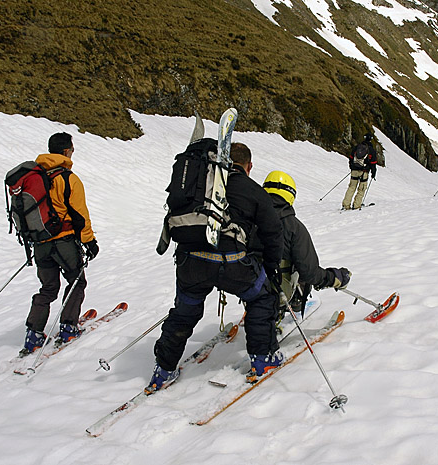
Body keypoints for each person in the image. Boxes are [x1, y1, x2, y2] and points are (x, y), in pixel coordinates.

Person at [148, 142, 284, 392]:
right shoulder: (251, 189)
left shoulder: (198, 185)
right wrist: (270, 267)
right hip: (232, 263)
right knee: (261, 298)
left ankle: (163, 369)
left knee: (185, 312)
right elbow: (273, 233)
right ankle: (263, 359)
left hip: (191, 262)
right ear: (249, 166)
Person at [22, 132, 99, 355]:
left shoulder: (34, 178)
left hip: (40, 243)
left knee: (47, 287)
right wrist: (89, 241)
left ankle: (33, 333)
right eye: (72, 149)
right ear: (66, 151)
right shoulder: (67, 178)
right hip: (63, 242)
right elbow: (79, 214)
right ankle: (68, 327)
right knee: (76, 281)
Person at [262, 171, 352, 322]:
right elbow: (309, 272)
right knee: (294, 270)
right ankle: (281, 311)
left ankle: (260, 310)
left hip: (248, 286)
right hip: (278, 291)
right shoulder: (294, 227)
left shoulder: (249, 218)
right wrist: (335, 278)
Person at [342, 132, 378, 210]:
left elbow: (351, 158)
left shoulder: (357, 147)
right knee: (361, 189)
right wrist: (373, 173)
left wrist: (352, 167)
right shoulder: (372, 150)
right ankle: (356, 205)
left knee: (351, 187)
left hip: (354, 170)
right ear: (371, 140)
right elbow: (373, 164)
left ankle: (346, 205)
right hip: (364, 172)